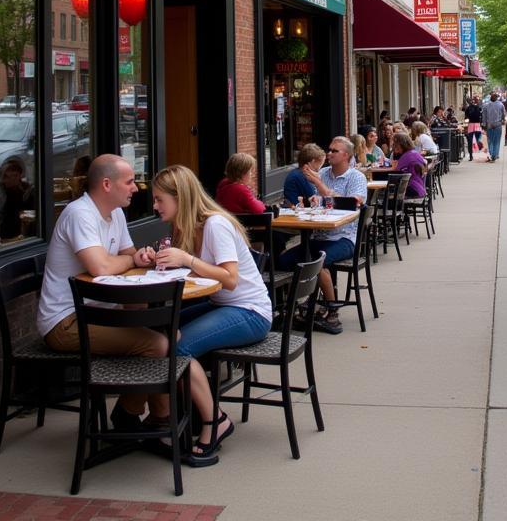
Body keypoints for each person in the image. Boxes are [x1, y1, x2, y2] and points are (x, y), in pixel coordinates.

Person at [37, 154, 215, 462]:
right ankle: (149, 419)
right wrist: (130, 260)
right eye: (130, 181)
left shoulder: (115, 214)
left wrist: (142, 256)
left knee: (162, 331)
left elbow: (128, 254)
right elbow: (101, 266)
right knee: (160, 343)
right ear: (107, 184)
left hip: (102, 311)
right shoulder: (80, 214)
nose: (137, 187)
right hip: (65, 323)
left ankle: (137, 415)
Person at [152, 164, 273, 463]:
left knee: (178, 347)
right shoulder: (184, 226)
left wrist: (187, 259)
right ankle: (180, 415)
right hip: (223, 305)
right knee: (159, 332)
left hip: (250, 311)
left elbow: (229, 278)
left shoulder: (215, 224)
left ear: (179, 197)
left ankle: (215, 421)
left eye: (159, 200)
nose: (154, 206)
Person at [277, 136, 367, 335]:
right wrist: (308, 202)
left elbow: (352, 204)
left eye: (334, 151)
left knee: (317, 260)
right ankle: (291, 308)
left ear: (346, 155)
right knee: (282, 261)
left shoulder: (356, 177)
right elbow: (315, 202)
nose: (329, 153)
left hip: (343, 238)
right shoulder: (323, 172)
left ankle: (332, 313)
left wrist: (320, 186)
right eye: (330, 149)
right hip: (317, 236)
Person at [392, 131, 428, 199]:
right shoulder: (414, 153)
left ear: (401, 144)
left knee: (387, 192)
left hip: (412, 189)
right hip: (419, 188)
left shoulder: (406, 156)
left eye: (395, 144)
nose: (393, 146)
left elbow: (396, 171)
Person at [480, 92, 507, 164]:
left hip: (489, 125)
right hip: (498, 125)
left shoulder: (486, 105)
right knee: (497, 141)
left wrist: (484, 125)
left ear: (490, 98)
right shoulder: (501, 105)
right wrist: (503, 120)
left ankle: (492, 154)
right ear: (497, 98)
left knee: (490, 141)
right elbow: (504, 114)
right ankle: (495, 154)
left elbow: (484, 117)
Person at [464, 95, 484, 161]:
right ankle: (478, 146)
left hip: (471, 125)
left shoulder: (468, 108)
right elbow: (481, 115)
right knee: (478, 139)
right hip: (477, 125)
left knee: (470, 140)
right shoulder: (479, 107)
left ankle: (471, 155)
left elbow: (466, 116)